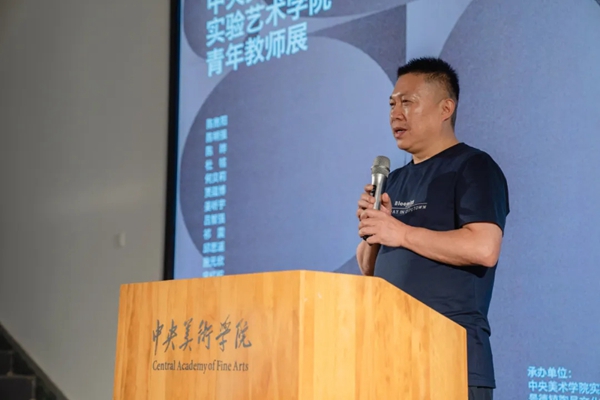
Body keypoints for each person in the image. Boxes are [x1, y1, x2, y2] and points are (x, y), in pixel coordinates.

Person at [356, 57, 509, 400]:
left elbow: (484, 248)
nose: (396, 114)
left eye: (407, 102)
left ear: (445, 108)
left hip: (450, 359)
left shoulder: (473, 167)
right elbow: (369, 269)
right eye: (392, 104)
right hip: (388, 357)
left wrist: (401, 233)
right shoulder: (393, 180)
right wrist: (372, 230)